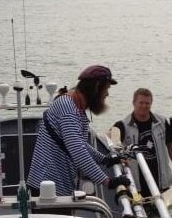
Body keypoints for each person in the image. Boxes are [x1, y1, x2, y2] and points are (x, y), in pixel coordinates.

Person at [27, 64, 130, 196]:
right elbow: (77, 150)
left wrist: (105, 160)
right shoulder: (68, 109)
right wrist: (107, 182)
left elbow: (79, 144)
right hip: (48, 188)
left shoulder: (74, 108)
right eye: (106, 89)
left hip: (56, 187)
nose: (107, 94)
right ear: (97, 87)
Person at [112, 88, 172, 200]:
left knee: (166, 213)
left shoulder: (161, 122)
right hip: (138, 184)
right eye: (141, 103)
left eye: (147, 103)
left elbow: (171, 145)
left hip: (162, 181)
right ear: (134, 103)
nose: (144, 106)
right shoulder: (122, 125)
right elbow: (111, 144)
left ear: (151, 104)